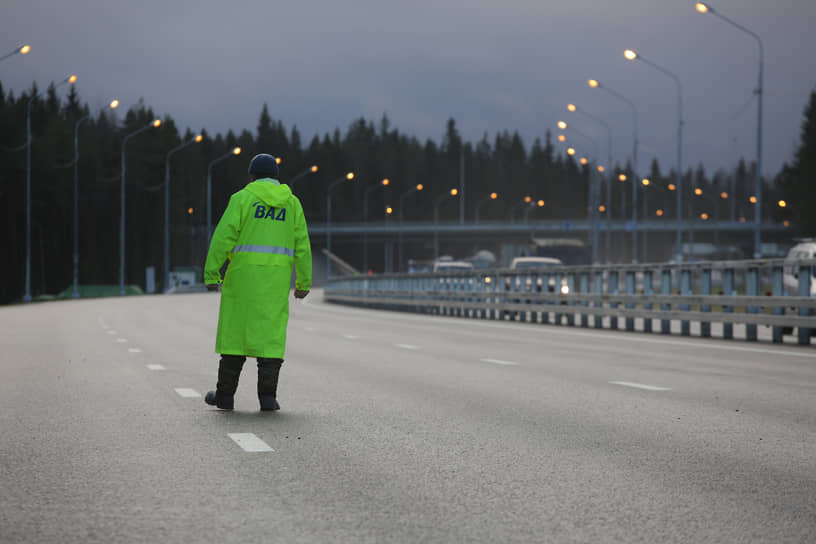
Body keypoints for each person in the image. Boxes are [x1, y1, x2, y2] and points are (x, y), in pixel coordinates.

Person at [203, 153, 312, 411]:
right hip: (275, 284)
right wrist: (304, 282)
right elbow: (303, 246)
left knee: (235, 336)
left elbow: (223, 238)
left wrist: (211, 274)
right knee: (270, 338)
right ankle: (267, 398)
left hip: (242, 280)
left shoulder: (242, 199)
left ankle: (225, 396)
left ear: (251, 176)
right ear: (276, 177)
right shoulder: (292, 204)